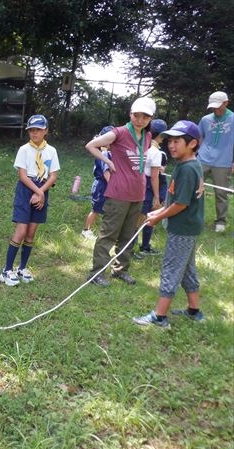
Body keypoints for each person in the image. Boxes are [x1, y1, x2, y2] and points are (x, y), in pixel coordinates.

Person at [133, 120, 205, 328]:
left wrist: (158, 217)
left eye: (177, 141)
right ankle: (194, 310)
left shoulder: (187, 169)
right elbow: (179, 200)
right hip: (188, 227)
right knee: (187, 269)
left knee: (172, 268)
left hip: (182, 229)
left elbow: (181, 204)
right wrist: (160, 210)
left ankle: (160, 316)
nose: (171, 145)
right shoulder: (189, 164)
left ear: (192, 144)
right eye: (170, 141)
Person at [85, 97, 155, 287]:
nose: (140, 120)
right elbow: (91, 145)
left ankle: (120, 269)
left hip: (138, 193)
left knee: (129, 234)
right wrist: (107, 161)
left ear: (150, 118)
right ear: (130, 114)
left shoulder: (148, 137)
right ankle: (96, 273)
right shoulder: (120, 132)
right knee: (109, 234)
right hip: (118, 193)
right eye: (136, 115)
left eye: (145, 117)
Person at [0, 114, 60, 286]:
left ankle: (22, 268)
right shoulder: (24, 149)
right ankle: (7, 270)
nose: (34, 133)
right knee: (21, 230)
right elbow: (22, 176)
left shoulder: (51, 151)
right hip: (26, 190)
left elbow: (53, 175)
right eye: (31, 130)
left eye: (38, 130)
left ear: (45, 131)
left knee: (31, 232)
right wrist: (37, 191)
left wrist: (40, 193)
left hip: (42, 189)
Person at [197, 91, 234, 233]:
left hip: (224, 161)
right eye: (213, 107)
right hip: (203, 159)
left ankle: (220, 222)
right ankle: (193, 217)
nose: (215, 110)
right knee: (195, 188)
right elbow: (198, 137)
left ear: (226, 103)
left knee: (221, 193)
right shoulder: (205, 119)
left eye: (218, 106)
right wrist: (194, 154)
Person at [135, 118, 169, 255]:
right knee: (143, 219)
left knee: (139, 218)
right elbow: (154, 177)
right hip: (148, 188)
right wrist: (157, 196)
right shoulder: (156, 153)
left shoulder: (142, 147)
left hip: (139, 185)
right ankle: (140, 248)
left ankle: (142, 247)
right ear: (161, 135)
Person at [81, 125, 113, 240]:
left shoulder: (107, 152)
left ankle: (104, 231)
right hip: (101, 185)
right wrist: (113, 186)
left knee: (106, 209)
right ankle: (86, 230)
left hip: (105, 185)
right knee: (96, 209)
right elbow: (106, 173)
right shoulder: (103, 153)